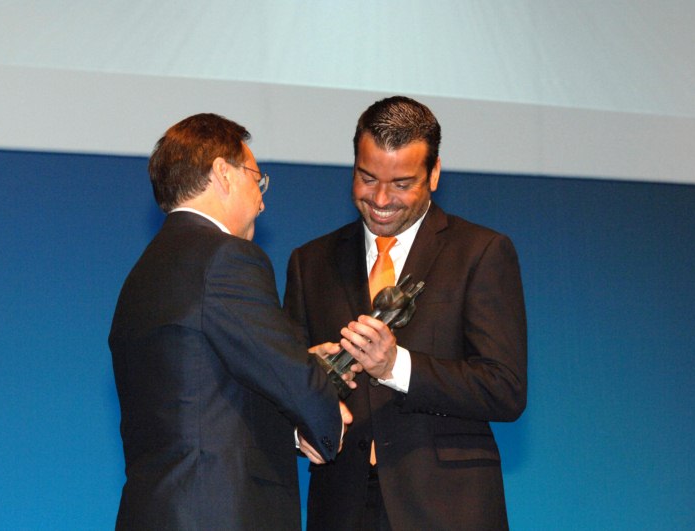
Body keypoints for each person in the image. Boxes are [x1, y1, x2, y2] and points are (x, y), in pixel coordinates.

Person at [284, 96, 527, 530]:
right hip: (341, 508)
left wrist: (395, 365)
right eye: (366, 177)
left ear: (434, 175)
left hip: (448, 508)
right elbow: (288, 384)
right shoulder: (310, 261)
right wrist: (305, 423)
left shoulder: (481, 252)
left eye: (401, 183)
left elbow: (504, 389)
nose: (380, 198)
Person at [109, 113, 351, 530]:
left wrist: (291, 431)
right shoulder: (227, 258)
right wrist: (324, 417)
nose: (261, 200)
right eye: (257, 179)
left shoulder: (141, 275)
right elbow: (289, 375)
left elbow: (202, 397)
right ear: (223, 172)